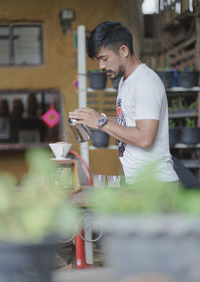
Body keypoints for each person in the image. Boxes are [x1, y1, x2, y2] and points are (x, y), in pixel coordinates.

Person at [69, 21, 178, 183]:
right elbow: (128, 122)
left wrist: (101, 122)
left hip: (156, 184)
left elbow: (145, 138)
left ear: (124, 50)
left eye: (104, 58)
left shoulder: (145, 82)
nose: (101, 66)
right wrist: (94, 118)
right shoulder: (126, 82)